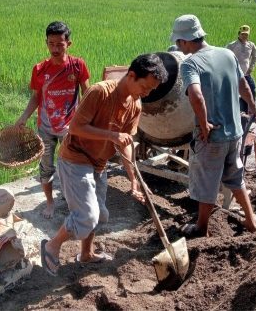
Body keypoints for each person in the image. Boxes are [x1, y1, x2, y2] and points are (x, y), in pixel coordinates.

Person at [40, 53, 167, 274]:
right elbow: (76, 128)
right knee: (87, 217)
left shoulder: (135, 105)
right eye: (145, 87)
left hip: (99, 163)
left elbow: (125, 142)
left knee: (101, 215)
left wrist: (134, 181)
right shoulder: (100, 92)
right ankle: (51, 246)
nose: (146, 94)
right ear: (131, 75)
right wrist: (111, 136)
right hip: (75, 158)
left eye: (151, 91)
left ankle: (86, 254)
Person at [173, 14, 256, 238]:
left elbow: (196, 95)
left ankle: (201, 228)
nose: (176, 46)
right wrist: (252, 106)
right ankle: (251, 223)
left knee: (206, 183)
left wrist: (204, 124)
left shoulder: (190, 63)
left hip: (213, 136)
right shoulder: (227, 54)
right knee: (235, 178)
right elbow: (243, 85)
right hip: (235, 133)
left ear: (185, 40)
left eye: (177, 42)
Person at [14, 21, 90, 219]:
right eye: (51, 43)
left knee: (72, 166)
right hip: (46, 127)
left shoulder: (77, 66)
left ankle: (71, 199)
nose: (55, 48)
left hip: (70, 128)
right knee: (46, 167)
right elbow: (36, 97)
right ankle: (50, 203)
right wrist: (23, 118)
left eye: (60, 44)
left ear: (69, 44)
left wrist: (86, 122)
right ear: (46, 43)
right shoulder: (39, 69)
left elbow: (87, 94)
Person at [226, 24, 256, 106]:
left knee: (252, 90)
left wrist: (251, 68)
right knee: (235, 94)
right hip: (234, 75)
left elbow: (255, 56)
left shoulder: (251, 45)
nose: (244, 36)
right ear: (239, 34)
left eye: (246, 34)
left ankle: (251, 111)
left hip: (246, 74)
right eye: (242, 34)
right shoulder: (232, 45)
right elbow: (224, 57)